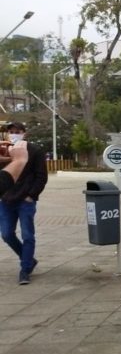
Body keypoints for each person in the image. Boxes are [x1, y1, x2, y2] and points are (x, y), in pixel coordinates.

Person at [0, 122, 48, 285]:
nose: (14, 134)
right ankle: (28, 259)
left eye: (17, 131)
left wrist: (31, 195)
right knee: (6, 234)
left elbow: (41, 176)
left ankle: (25, 269)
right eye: (11, 132)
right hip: (6, 199)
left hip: (25, 200)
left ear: (24, 133)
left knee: (28, 235)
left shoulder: (34, 151)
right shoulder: (5, 150)